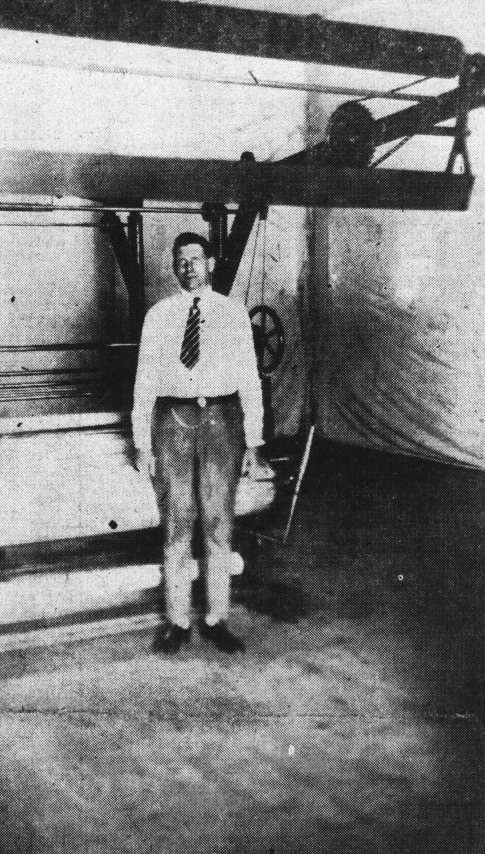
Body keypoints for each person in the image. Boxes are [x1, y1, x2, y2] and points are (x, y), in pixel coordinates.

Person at [132, 232, 272, 655]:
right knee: (176, 523)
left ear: (210, 263)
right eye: (181, 260)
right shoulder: (159, 315)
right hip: (171, 422)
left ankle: (216, 619)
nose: (188, 266)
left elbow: (250, 378)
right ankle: (177, 621)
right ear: (174, 267)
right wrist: (142, 441)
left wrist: (254, 441)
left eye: (196, 258)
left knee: (217, 523)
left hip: (222, 422)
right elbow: (145, 381)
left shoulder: (232, 314)